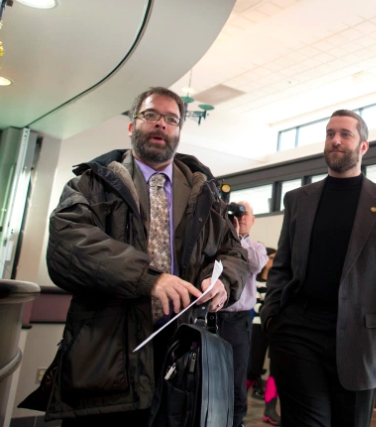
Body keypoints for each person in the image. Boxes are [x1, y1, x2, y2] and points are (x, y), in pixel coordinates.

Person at [34, 87, 248, 426]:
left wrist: (223, 280)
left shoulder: (204, 192)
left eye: (171, 119)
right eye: (151, 115)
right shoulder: (92, 184)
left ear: (179, 132)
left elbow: (233, 252)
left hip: (182, 357)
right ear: (132, 126)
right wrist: (150, 279)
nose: (161, 124)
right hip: (109, 357)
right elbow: (68, 246)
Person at [261, 110, 376, 427]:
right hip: (297, 332)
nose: (335, 140)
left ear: (363, 146)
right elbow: (281, 266)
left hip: (359, 340)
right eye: (330, 133)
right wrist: (272, 315)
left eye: (345, 134)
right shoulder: (299, 200)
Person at [218, 201, 269, 427]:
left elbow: (255, 265)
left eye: (246, 214)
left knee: (237, 377)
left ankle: (237, 421)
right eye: (237, 214)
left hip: (239, 321)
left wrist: (238, 238)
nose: (242, 218)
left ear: (254, 219)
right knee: (213, 374)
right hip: (214, 318)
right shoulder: (219, 242)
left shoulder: (257, 248)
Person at [246, 247, 282, 425]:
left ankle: (270, 410)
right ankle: (239, 401)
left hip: (275, 330)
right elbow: (254, 306)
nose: (276, 261)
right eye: (273, 258)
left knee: (275, 370)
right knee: (253, 368)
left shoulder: (278, 285)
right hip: (257, 328)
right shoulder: (255, 281)